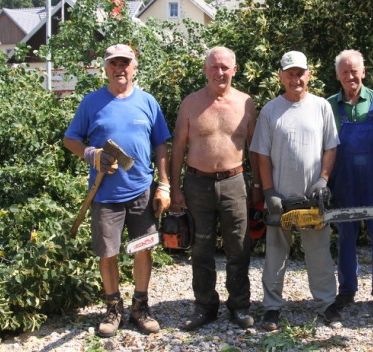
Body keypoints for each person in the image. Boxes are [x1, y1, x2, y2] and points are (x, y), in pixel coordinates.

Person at [63, 43, 171, 337]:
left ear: (134, 67)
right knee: (107, 253)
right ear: (106, 68)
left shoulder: (147, 102)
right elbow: (70, 139)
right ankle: (113, 308)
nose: (119, 68)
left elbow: (161, 144)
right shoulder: (92, 103)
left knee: (143, 249)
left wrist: (163, 185)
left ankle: (140, 307)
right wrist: (91, 154)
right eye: (113, 63)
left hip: (141, 190)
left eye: (124, 63)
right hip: (105, 194)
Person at [250, 50, 341, 331]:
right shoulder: (270, 110)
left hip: (312, 197)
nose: (295, 79)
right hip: (280, 197)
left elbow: (331, 147)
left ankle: (327, 303)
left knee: (319, 253)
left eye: (300, 73)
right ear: (281, 76)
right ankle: (272, 307)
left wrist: (323, 180)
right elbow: (262, 155)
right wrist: (269, 191)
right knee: (275, 254)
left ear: (308, 75)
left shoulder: (321, 107)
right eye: (290, 74)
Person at [170, 46, 260, 331]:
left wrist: (258, 186)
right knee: (201, 249)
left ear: (234, 70)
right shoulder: (191, 103)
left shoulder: (246, 103)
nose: (219, 72)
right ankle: (205, 306)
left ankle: (239, 306)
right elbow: (178, 148)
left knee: (239, 247)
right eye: (214, 67)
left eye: (225, 67)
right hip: (197, 184)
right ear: (205, 70)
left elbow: (255, 149)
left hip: (235, 182)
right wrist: (174, 189)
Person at [327, 50, 373, 315]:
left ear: (363, 72)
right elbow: (324, 148)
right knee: (345, 237)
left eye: (354, 71)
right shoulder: (329, 105)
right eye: (344, 71)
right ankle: (346, 291)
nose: (350, 76)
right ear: (337, 75)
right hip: (343, 182)